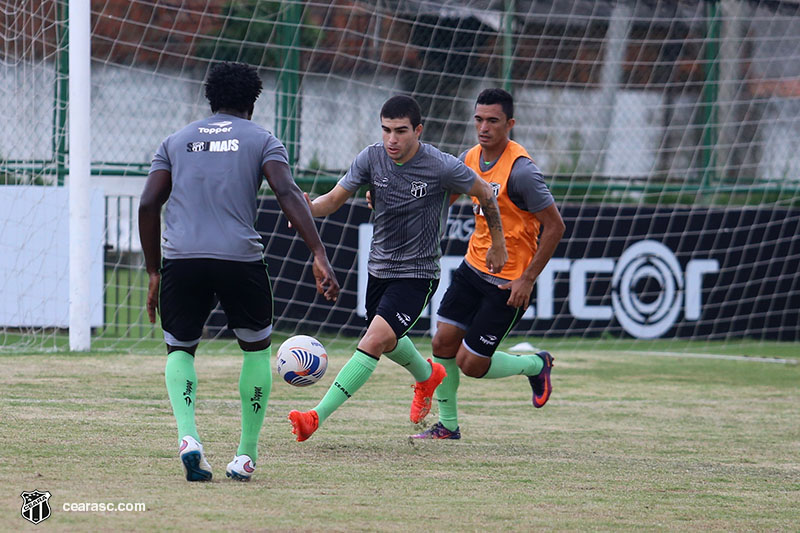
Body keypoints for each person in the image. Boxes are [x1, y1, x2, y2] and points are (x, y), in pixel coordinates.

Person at [138, 62, 339, 481]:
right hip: (240, 259)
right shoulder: (262, 139)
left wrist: (154, 272)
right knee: (255, 350)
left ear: (210, 98)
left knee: (180, 350)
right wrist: (318, 252)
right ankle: (245, 456)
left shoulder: (175, 141)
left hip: (182, 260)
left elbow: (147, 204)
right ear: (252, 102)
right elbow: (286, 192)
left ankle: (189, 437)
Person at [287, 95, 507, 442]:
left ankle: (315, 417)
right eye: (386, 130)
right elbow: (332, 200)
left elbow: (485, 193)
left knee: (374, 340)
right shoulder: (371, 157)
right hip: (378, 270)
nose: (392, 139)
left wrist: (498, 243)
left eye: (401, 131)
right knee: (389, 341)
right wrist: (305, 209)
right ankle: (427, 376)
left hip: (417, 275)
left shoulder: (440, 165)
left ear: (417, 130)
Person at [411, 88, 566, 440]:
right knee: (442, 344)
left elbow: (555, 226)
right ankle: (447, 426)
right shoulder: (469, 158)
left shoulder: (522, 172)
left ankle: (536, 364)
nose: (484, 127)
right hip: (471, 268)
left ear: (509, 124)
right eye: (479, 119)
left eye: (493, 121)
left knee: (472, 365)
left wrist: (527, 279)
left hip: (508, 282)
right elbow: (441, 196)